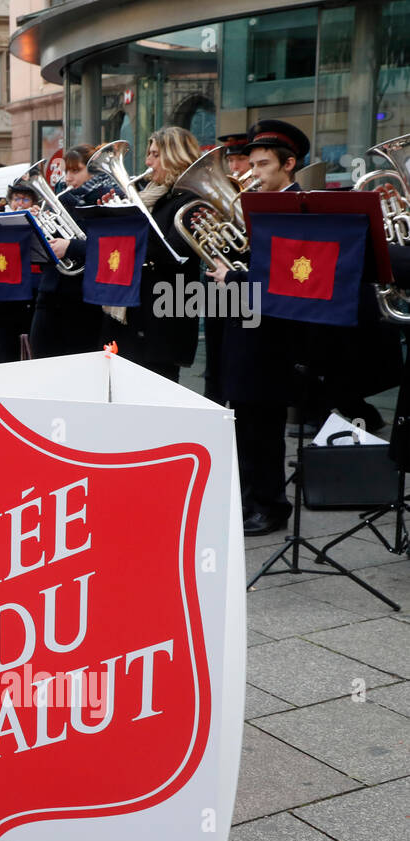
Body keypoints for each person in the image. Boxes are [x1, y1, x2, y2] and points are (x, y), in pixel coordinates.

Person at [208, 120, 308, 536]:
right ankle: (248, 499)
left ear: (289, 164)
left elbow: (293, 275)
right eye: (252, 163)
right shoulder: (257, 204)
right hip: (244, 324)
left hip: (273, 332)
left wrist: (232, 280)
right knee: (244, 419)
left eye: (263, 164)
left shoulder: (301, 207)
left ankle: (270, 506)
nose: (253, 172)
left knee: (263, 424)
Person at [103, 126, 203, 382]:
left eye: (155, 155)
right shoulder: (151, 197)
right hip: (135, 315)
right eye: (149, 154)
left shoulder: (190, 201)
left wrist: (132, 218)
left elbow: (175, 253)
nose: (148, 162)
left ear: (176, 156)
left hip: (163, 318)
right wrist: (114, 216)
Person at [30, 143, 112, 358]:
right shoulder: (60, 202)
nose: (68, 178)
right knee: (41, 360)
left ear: (93, 170)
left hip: (84, 298)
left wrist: (70, 246)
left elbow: (111, 248)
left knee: (80, 362)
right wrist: (35, 226)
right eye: (66, 171)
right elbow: (43, 253)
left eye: (75, 170)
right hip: (49, 293)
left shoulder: (107, 200)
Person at [0, 181, 42, 363]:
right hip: (2, 296)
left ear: (33, 203)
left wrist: (38, 223)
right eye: (16, 199)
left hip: (29, 297)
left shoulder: (41, 220)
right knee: (5, 354)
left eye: (25, 199)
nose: (20, 203)